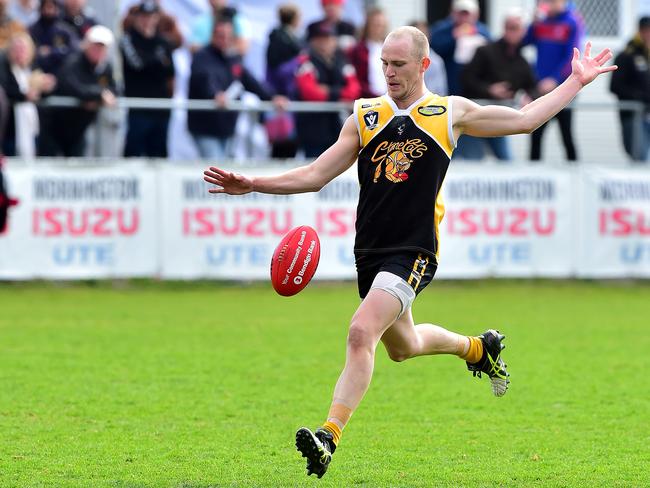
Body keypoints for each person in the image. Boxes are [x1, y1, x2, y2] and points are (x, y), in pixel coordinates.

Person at [203, 26, 615, 478]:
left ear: (423, 65)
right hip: (371, 253)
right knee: (403, 346)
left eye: (399, 64)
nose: (389, 72)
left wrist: (575, 81)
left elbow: (523, 120)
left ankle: (328, 436)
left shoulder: (447, 113)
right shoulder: (365, 115)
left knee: (361, 333)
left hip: (415, 250)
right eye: (384, 63)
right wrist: (254, 183)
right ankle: (479, 349)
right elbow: (317, 174)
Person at [187, 18, 286, 159]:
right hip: (205, 126)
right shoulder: (202, 57)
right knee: (216, 168)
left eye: (228, 36)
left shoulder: (233, 58)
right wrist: (214, 95)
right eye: (221, 35)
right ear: (213, 35)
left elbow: (251, 82)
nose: (225, 40)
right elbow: (204, 79)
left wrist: (272, 97)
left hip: (227, 126)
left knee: (223, 169)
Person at [460, 10, 538, 161]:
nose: (513, 32)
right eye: (510, 27)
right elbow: (466, 79)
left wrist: (527, 96)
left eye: (517, 28)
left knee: (506, 162)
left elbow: (533, 87)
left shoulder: (522, 61)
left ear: (523, 31)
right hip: (474, 119)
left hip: (498, 120)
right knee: (471, 163)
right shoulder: (485, 51)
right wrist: (489, 90)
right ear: (504, 28)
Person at [38, 24, 116, 157]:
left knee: (76, 166)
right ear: (87, 45)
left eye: (102, 47)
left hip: (79, 129)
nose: (98, 51)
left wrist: (98, 99)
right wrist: (99, 95)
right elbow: (73, 87)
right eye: (95, 46)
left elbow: (113, 89)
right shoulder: (73, 62)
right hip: (56, 126)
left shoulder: (105, 67)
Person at [429, 0, 492, 160]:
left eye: (467, 13)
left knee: (475, 146)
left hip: (476, 98)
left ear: (475, 14)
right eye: (461, 13)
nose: (464, 17)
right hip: (449, 97)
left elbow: (492, 56)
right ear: (453, 12)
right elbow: (432, 49)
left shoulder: (483, 32)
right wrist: (454, 36)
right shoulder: (442, 30)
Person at [523, 0, 584, 161]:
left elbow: (572, 56)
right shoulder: (542, 22)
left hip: (564, 87)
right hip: (541, 88)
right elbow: (525, 41)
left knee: (566, 134)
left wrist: (554, 79)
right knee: (535, 135)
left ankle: (575, 175)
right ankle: (534, 177)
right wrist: (533, 24)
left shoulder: (572, 21)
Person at [293, 20, 360, 158]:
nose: (325, 42)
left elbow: (354, 89)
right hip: (313, 130)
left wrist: (328, 91)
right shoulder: (305, 62)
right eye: (320, 39)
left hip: (338, 127)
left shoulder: (342, 61)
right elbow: (310, 93)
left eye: (329, 38)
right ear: (312, 41)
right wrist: (340, 93)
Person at [120, 0, 175, 158]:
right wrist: (156, 60)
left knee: (159, 154)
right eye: (143, 17)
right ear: (137, 18)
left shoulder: (163, 42)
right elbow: (137, 64)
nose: (147, 21)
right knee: (133, 153)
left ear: (157, 18)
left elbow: (170, 73)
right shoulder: (128, 39)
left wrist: (152, 61)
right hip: (138, 108)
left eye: (151, 17)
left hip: (161, 108)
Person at [0, 32, 56, 156]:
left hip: (30, 126)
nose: (20, 53)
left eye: (23, 49)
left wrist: (46, 87)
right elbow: (4, 89)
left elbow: (39, 93)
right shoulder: (4, 66)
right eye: (16, 49)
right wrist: (24, 95)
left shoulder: (31, 69)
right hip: (10, 128)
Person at [609, 16, 650, 162]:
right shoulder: (626, 55)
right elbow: (615, 86)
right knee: (639, 157)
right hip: (634, 116)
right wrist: (641, 98)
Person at [265, 3, 302, 159]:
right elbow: (281, 72)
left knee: (282, 144)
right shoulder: (286, 41)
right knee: (285, 145)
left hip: (280, 97)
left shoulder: (276, 38)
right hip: (284, 100)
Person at [347, 7, 388, 98]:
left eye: (381, 25)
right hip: (366, 99)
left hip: (390, 99)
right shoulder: (357, 50)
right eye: (375, 24)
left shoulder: (390, 48)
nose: (378, 28)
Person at [29, 0, 79, 75]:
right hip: (38, 71)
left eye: (52, 7)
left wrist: (52, 51)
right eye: (47, 7)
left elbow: (75, 50)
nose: (49, 10)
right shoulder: (33, 29)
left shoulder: (65, 30)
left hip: (61, 72)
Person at [410, 20, 447, 96]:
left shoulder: (436, 61)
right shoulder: (399, 58)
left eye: (422, 36)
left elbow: (438, 90)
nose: (419, 40)